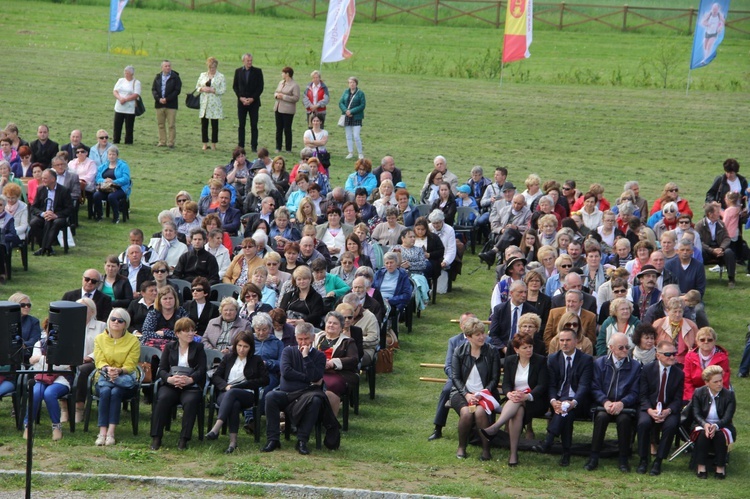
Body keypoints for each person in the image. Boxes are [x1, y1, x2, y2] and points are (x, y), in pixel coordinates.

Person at [263, 322, 339, 455]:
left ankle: (302, 440)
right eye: (300, 339)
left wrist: (305, 357)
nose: (303, 342)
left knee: (315, 400)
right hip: (287, 393)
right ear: (295, 337)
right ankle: (273, 439)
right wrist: (307, 378)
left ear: (313, 338)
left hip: (306, 395)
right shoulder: (288, 351)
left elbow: (316, 377)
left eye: (306, 339)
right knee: (270, 396)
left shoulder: (319, 356)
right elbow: (286, 372)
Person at [480, 332, 549, 466]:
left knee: (517, 402)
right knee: (517, 410)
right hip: (515, 400)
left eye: (530, 346)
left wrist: (527, 396)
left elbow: (542, 385)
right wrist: (509, 394)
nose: (529, 350)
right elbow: (506, 384)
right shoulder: (510, 361)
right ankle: (513, 454)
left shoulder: (540, 360)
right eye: (524, 347)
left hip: (535, 401)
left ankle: (495, 427)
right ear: (516, 349)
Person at [532, 328, 594, 467]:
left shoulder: (586, 360)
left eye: (568, 340)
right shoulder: (553, 359)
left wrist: (573, 403)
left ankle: (549, 441)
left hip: (580, 402)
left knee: (567, 412)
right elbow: (552, 385)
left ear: (576, 341)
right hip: (559, 400)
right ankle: (565, 453)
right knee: (565, 413)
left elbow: (584, 386)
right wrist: (553, 401)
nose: (564, 343)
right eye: (562, 340)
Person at [149, 316, 207, 451]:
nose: (191, 333)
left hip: (191, 385)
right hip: (172, 384)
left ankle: (184, 438)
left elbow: (202, 369)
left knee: (191, 401)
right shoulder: (170, 347)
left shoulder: (198, 347)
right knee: (163, 398)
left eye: (193, 330)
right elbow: (162, 369)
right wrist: (169, 379)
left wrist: (190, 379)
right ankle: (156, 437)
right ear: (178, 333)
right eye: (187, 331)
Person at [585, 332, 641, 473]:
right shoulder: (600, 363)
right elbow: (594, 387)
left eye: (627, 347)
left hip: (624, 406)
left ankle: (623, 458)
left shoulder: (635, 366)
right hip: (604, 404)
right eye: (621, 347)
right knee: (601, 417)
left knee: (624, 420)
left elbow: (635, 391)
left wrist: (622, 403)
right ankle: (594, 456)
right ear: (611, 347)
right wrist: (605, 402)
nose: (625, 350)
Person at [206, 330, 269, 453]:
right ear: (235, 345)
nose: (242, 349)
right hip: (226, 392)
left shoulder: (256, 360)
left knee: (233, 393)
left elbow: (265, 379)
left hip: (247, 393)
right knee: (234, 403)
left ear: (250, 347)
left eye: (245, 346)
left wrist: (244, 385)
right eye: (239, 346)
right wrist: (226, 386)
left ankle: (216, 428)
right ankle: (233, 443)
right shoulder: (228, 358)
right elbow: (216, 376)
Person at [450, 318, 499, 461]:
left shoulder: (492, 351)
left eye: (483, 333)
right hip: (461, 393)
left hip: (485, 393)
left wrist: (481, 394)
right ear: (469, 337)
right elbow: (456, 377)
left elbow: (494, 379)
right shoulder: (459, 351)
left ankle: (485, 449)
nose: (482, 337)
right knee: (466, 413)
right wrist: (466, 395)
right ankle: (461, 447)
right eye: (477, 334)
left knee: (479, 413)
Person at [635, 340, 684, 476]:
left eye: (674, 353)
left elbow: (678, 399)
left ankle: (658, 461)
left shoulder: (679, 373)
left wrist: (667, 411)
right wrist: (650, 411)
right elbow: (642, 395)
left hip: (668, 409)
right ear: (658, 355)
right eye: (668, 354)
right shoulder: (647, 370)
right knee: (643, 423)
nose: (672, 357)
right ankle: (644, 459)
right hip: (649, 408)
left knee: (671, 425)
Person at [93, 308, 140, 446]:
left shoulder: (133, 341)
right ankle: (102, 432)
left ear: (126, 324)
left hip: (124, 379)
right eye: (113, 319)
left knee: (116, 391)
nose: (116, 323)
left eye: (120, 321)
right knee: (106, 391)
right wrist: (108, 369)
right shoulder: (99, 339)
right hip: (104, 377)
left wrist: (119, 371)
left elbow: (131, 364)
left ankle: (111, 432)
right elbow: (99, 361)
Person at [426, 312, 473, 441]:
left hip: (477, 379)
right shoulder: (454, 341)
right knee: (446, 390)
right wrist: (457, 378)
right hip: (456, 378)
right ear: (460, 325)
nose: (469, 325)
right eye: (466, 323)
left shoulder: (485, 339)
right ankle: (438, 428)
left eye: (472, 322)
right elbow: (448, 365)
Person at [24, 325, 73, 441]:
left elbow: (65, 365)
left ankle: (56, 426)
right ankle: (28, 425)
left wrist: (40, 358)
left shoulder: (66, 345)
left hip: (62, 378)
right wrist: (48, 360)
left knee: (49, 394)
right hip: (42, 377)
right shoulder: (39, 344)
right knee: (35, 393)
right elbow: (33, 362)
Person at [691, 365, 736, 479]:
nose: (719, 384)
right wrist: (705, 425)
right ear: (707, 382)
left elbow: (727, 417)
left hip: (723, 425)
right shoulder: (698, 393)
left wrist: (716, 426)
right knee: (702, 434)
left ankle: (720, 467)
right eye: (715, 381)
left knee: (720, 435)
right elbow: (696, 414)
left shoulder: (729, 395)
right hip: (702, 424)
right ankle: (701, 466)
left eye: (721, 380)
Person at [314, 311, 359, 415]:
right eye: (329, 322)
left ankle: (328, 418)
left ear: (341, 327)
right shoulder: (317, 337)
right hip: (318, 371)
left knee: (329, 385)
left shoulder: (348, 341)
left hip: (339, 373)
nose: (331, 325)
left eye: (335, 323)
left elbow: (354, 359)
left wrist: (333, 363)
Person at [29, 168, 73, 256]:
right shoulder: (40, 189)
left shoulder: (64, 191)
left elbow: (69, 209)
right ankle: (47, 247)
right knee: (34, 223)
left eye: (45, 178)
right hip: (44, 215)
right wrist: (43, 213)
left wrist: (55, 215)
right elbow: (33, 207)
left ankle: (44, 248)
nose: (42, 180)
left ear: (53, 179)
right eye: (42, 178)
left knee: (56, 223)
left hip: (58, 217)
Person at [682, 326, 730, 402]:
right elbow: (687, 380)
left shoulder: (723, 358)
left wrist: (712, 399)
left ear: (714, 341)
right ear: (697, 341)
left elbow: (723, 381)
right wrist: (692, 398)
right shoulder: (689, 357)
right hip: (694, 394)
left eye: (710, 340)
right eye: (702, 340)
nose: (706, 342)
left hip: (715, 393)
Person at [488, 281, 538, 353]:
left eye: (525, 292)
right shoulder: (500, 309)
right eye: (520, 292)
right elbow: (493, 333)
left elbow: (536, 334)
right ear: (511, 293)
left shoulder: (531, 311)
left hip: (525, 350)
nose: (524, 295)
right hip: (502, 350)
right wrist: (503, 348)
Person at [695, 202, 736, 288]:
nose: (719, 214)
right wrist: (711, 250)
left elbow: (727, 238)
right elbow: (699, 242)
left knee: (729, 253)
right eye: (717, 212)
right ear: (710, 214)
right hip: (707, 250)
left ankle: (731, 279)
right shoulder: (699, 225)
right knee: (700, 252)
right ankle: (700, 279)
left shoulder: (721, 224)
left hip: (720, 249)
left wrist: (721, 248)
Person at [652, 297, 698, 365]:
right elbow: (652, 344)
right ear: (667, 311)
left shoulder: (691, 326)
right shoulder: (658, 324)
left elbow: (697, 345)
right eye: (675, 311)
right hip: (662, 361)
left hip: (684, 363)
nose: (677, 315)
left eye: (680, 311)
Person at [92, 146, 131, 224]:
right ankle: (99, 215)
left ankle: (116, 217)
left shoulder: (123, 165)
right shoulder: (103, 166)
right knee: (96, 195)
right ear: (107, 155)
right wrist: (104, 180)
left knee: (111, 196)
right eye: (110, 154)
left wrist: (113, 181)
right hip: (105, 188)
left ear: (117, 155)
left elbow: (126, 178)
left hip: (120, 189)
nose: (111, 156)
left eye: (113, 154)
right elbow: (97, 178)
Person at [234, 53, 264, 151]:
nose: (250, 62)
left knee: (254, 125)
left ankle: (254, 146)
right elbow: (235, 86)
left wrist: (252, 98)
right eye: (248, 61)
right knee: (241, 125)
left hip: (253, 103)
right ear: (243, 61)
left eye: (251, 60)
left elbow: (260, 87)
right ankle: (241, 145)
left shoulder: (258, 72)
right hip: (242, 103)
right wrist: (240, 98)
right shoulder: (238, 71)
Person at [196, 57, 225, 151]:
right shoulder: (203, 75)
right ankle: (204, 144)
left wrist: (214, 90)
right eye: (210, 67)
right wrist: (202, 89)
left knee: (214, 125)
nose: (212, 69)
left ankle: (213, 144)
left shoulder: (220, 76)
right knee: (204, 124)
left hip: (215, 104)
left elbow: (223, 90)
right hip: (205, 103)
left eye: (213, 67)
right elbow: (197, 87)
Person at [151, 60, 182, 148]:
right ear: (162, 67)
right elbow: (154, 89)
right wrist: (158, 99)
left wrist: (167, 99)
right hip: (159, 104)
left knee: (171, 124)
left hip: (171, 105)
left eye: (169, 66)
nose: (168, 67)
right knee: (161, 124)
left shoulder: (175, 77)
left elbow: (177, 90)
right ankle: (162, 141)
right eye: (166, 66)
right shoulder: (158, 77)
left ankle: (171, 142)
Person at [273, 67, 300, 153]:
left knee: (287, 129)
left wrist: (284, 97)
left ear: (287, 74)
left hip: (287, 110)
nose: (282, 74)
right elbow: (276, 91)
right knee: (278, 128)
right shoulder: (281, 83)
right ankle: (278, 147)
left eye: (283, 73)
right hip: (278, 108)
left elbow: (296, 98)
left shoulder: (294, 85)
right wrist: (276, 95)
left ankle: (288, 148)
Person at [112, 65, 141, 144]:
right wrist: (120, 98)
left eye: (127, 73)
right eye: (125, 73)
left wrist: (125, 99)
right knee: (117, 125)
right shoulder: (120, 80)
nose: (126, 74)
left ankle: (128, 141)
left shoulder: (136, 82)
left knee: (129, 126)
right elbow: (115, 91)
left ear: (131, 74)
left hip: (129, 108)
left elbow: (136, 94)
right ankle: (116, 140)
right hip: (119, 107)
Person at [339, 76, 366, 159]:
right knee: (348, 136)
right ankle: (350, 152)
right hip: (347, 116)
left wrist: (351, 111)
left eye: (353, 82)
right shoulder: (345, 92)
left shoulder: (360, 93)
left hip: (357, 117)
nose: (352, 84)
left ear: (356, 83)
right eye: (350, 82)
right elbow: (340, 103)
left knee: (356, 136)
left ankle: (360, 153)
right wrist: (346, 110)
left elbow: (362, 105)